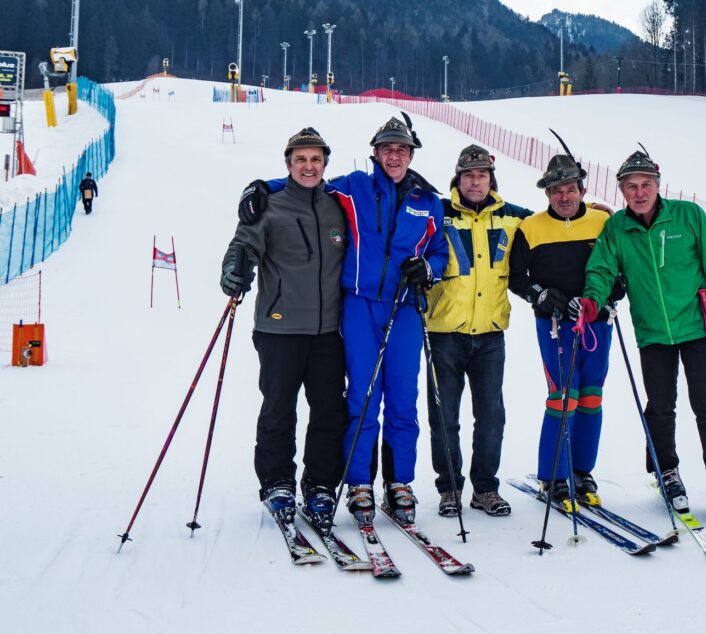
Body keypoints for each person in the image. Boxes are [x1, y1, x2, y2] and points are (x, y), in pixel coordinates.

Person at [240, 115, 448, 525]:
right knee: (362, 398)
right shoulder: (353, 187)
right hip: (358, 306)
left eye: (401, 149)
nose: (394, 156)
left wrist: (428, 268)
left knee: (403, 398)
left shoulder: (429, 202)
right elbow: (307, 184)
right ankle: (359, 482)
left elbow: (440, 251)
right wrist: (264, 187)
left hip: (404, 307)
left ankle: (399, 481)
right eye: (386, 149)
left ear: (410, 155)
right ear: (375, 153)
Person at [578, 146, 706, 520]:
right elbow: (601, 270)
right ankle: (666, 469)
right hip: (652, 332)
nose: (639, 193)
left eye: (645, 184)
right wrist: (592, 300)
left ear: (657, 185)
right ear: (622, 190)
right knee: (660, 405)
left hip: (697, 327)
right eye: (631, 186)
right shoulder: (617, 228)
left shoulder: (688, 216)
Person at [220, 128, 348, 526]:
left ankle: (320, 483)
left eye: (315, 159)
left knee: (329, 410)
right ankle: (277, 481)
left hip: (329, 330)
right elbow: (243, 244)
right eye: (301, 159)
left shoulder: (339, 205)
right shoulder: (270, 205)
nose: (309, 166)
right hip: (279, 328)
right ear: (289, 165)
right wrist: (234, 270)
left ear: (325, 164)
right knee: (278, 409)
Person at [424, 145, 532, 518]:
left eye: (482, 175)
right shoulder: (438, 213)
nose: (475, 182)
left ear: (491, 180)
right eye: (468, 175)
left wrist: (595, 212)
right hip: (444, 334)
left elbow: (553, 222)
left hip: (489, 336)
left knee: (491, 417)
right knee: (444, 417)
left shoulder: (513, 217)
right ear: (458, 179)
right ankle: (450, 488)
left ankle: (485, 488)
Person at [509, 153, 619, 511]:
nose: (564, 196)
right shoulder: (532, 227)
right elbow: (517, 278)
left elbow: (620, 265)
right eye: (556, 191)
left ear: (582, 190)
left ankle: (582, 471)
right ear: (547, 194)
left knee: (591, 396)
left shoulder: (603, 221)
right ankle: (554, 476)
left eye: (570, 189)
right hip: (555, 325)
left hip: (596, 321)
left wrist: (613, 291)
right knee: (562, 396)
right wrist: (540, 295)